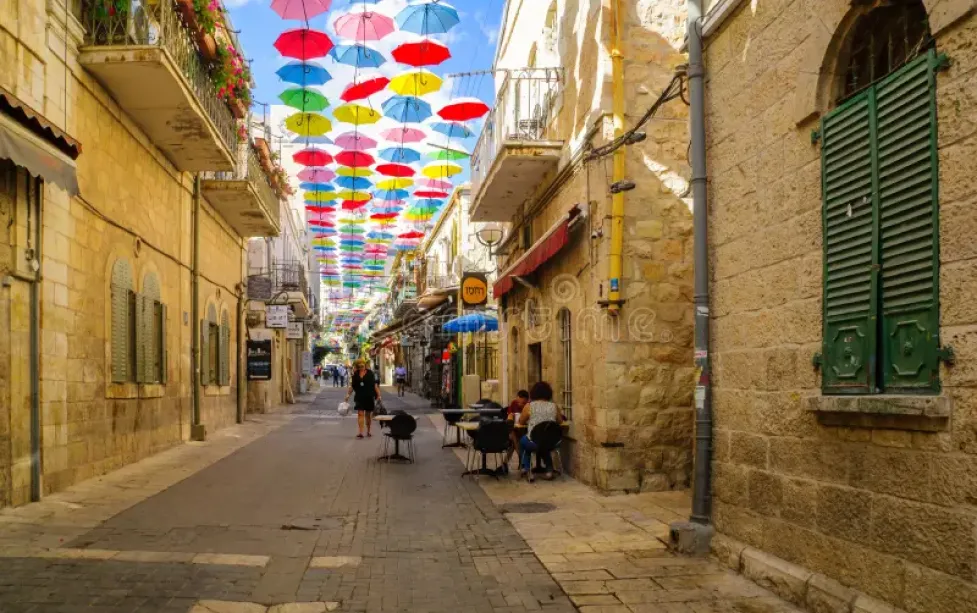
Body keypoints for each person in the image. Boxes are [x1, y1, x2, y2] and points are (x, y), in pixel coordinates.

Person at [517, 382, 565, 481]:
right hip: (552, 442)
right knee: (544, 443)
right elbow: (560, 421)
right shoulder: (554, 406)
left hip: (534, 442)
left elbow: (521, 422)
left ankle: (527, 469)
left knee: (522, 441)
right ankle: (549, 470)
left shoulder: (529, 406)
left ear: (534, 393)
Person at [345, 360, 380, 439]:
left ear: (365, 365)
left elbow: (375, 385)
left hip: (369, 396)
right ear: (357, 366)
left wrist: (379, 395)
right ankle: (360, 432)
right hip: (359, 397)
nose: (361, 367)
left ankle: (368, 430)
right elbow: (352, 386)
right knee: (360, 414)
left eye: (362, 366)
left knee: (368, 415)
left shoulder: (370, 373)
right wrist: (348, 395)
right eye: (359, 366)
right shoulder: (355, 374)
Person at [503, 390, 530, 471]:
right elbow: (510, 416)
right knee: (514, 436)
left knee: (514, 442)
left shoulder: (529, 405)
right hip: (514, 430)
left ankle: (505, 464)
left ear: (527, 401)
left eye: (523, 403)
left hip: (526, 430)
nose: (520, 404)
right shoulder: (514, 403)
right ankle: (522, 461)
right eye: (519, 402)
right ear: (517, 399)